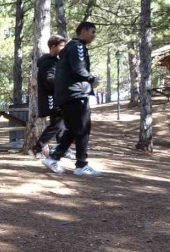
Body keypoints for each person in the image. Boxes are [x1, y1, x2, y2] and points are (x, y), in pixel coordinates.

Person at [42, 22, 101, 176]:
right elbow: (79, 68)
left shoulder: (70, 48)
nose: (94, 35)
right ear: (83, 31)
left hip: (68, 95)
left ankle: (53, 158)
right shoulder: (77, 46)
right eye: (92, 32)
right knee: (83, 129)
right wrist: (92, 78)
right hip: (76, 94)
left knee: (75, 129)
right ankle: (81, 165)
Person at [32, 35, 74, 161]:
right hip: (51, 99)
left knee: (61, 124)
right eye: (61, 46)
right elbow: (49, 82)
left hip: (58, 98)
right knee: (56, 125)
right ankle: (37, 148)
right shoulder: (48, 63)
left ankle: (63, 149)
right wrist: (65, 82)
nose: (63, 49)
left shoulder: (55, 61)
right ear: (53, 47)